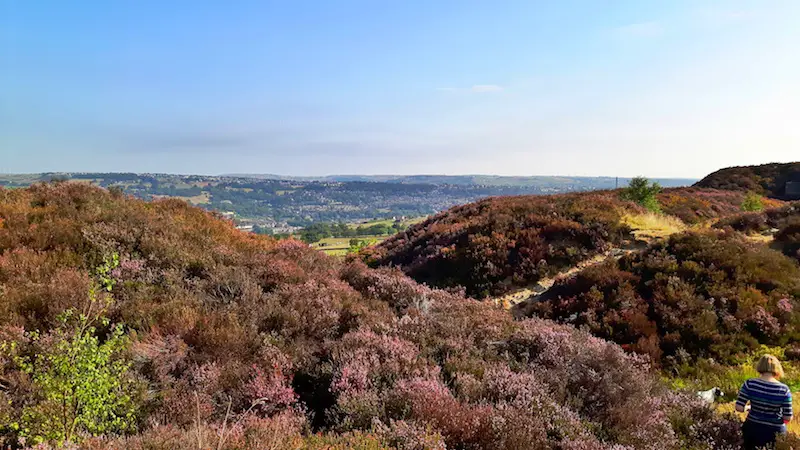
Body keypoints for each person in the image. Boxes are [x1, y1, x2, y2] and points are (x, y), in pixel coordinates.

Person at [736, 354, 793, 449]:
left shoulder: (749, 384)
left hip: (752, 429)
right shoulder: (784, 389)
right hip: (775, 432)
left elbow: (739, 407)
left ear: (760, 366)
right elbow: (788, 417)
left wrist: (748, 408)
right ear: (777, 367)